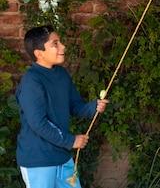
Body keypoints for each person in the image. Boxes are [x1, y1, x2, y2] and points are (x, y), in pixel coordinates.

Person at [16, 25, 109, 188]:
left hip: (62, 156)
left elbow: (75, 106)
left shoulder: (61, 74)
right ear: (39, 53)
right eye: (55, 44)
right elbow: (38, 123)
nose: (63, 46)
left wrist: (94, 107)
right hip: (38, 161)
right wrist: (70, 141)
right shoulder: (32, 81)